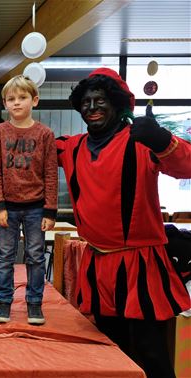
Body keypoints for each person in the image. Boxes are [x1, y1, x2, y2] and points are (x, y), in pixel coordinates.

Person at [58, 67, 191, 378]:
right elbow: (30, 155)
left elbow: (187, 166)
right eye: (87, 102)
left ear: (117, 103)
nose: (92, 108)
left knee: (149, 351)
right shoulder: (71, 146)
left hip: (140, 265)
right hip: (98, 264)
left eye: (101, 101)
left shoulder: (140, 141)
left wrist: (161, 138)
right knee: (110, 349)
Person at [0, 75, 58, 325]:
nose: (16, 103)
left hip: (37, 207)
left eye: (22, 97)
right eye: (11, 99)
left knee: (36, 256)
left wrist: (50, 211)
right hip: (7, 207)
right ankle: (4, 301)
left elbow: (51, 172)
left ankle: (34, 303)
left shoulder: (45, 134)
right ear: (5, 103)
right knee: (5, 256)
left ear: (34, 100)